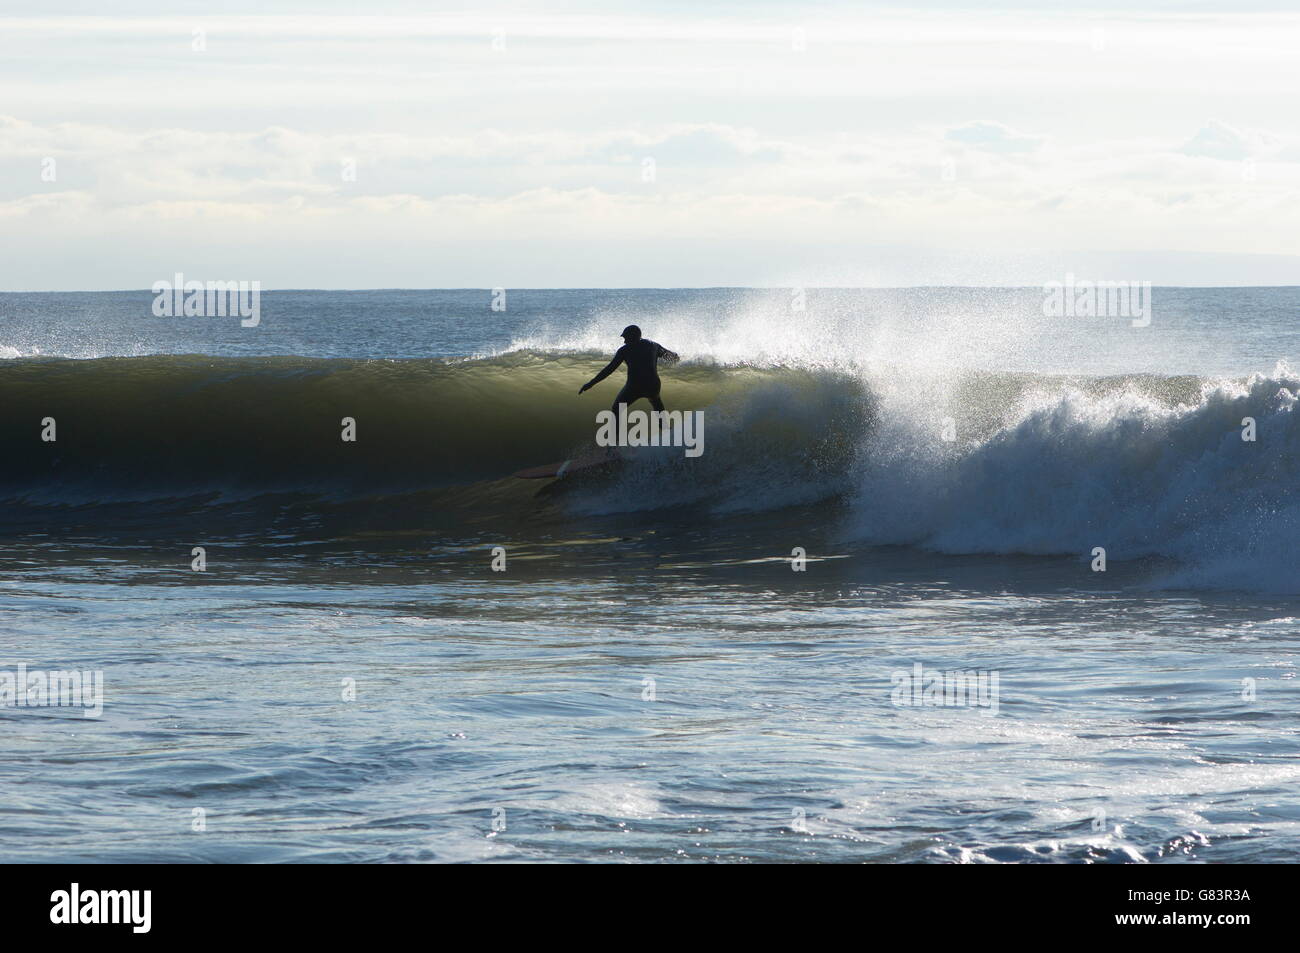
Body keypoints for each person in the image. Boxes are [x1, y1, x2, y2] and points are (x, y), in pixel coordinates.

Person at [578, 325, 678, 414]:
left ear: (633, 337)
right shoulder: (653, 345)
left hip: (635, 386)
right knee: (657, 405)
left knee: (616, 409)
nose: (624, 341)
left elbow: (609, 369)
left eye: (626, 338)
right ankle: (667, 430)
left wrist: (590, 384)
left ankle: (617, 434)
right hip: (653, 385)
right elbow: (672, 357)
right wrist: (677, 358)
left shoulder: (624, 350)